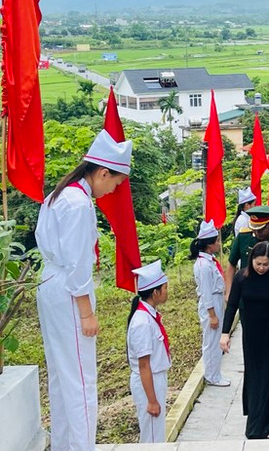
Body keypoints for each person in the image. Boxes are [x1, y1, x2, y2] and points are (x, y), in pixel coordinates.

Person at [36, 129, 132, 451]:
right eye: (114, 182)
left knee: (63, 377)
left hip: (50, 285)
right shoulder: (78, 204)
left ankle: (65, 445)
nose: (112, 190)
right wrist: (87, 313)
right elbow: (78, 264)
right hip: (68, 292)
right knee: (81, 380)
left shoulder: (59, 195)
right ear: (103, 172)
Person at [220, 242, 269, 439]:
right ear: (251, 261)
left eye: (265, 264)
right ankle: (255, 426)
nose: (262, 268)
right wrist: (225, 333)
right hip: (252, 337)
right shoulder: (242, 278)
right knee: (255, 378)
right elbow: (232, 306)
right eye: (258, 264)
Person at [127, 260, 171, 443]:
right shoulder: (142, 323)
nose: (167, 292)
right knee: (152, 437)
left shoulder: (149, 316)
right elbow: (144, 365)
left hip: (155, 379)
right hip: (149, 382)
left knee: (156, 433)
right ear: (155, 292)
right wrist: (152, 401)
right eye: (165, 288)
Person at [191, 220, 230, 387]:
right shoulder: (203, 265)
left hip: (216, 300)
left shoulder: (210, 261)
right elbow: (206, 292)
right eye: (216, 241)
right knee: (212, 342)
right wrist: (212, 315)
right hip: (211, 303)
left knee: (215, 340)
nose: (218, 244)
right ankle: (212, 375)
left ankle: (215, 372)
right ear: (209, 245)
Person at [225, 205, 269, 298]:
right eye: (254, 229)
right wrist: (229, 291)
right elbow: (231, 263)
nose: (257, 232)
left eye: (261, 229)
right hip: (246, 291)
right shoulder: (244, 237)